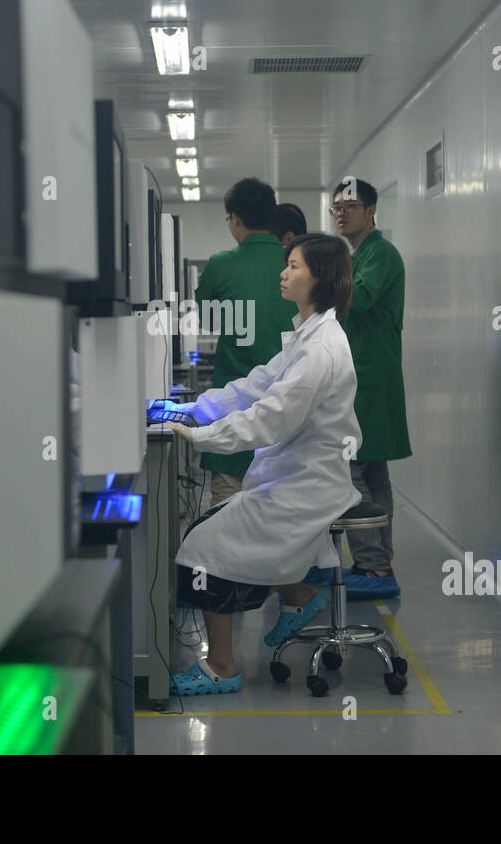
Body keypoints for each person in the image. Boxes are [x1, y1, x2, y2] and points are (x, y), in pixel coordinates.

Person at [154, 234, 360, 695]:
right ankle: (300, 596)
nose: (283, 274)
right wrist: (193, 409)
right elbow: (254, 386)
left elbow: (271, 418)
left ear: (321, 277)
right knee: (213, 532)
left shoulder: (320, 348)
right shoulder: (307, 335)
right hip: (291, 477)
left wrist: (201, 435)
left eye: (294, 266)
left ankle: (223, 667)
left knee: (200, 547)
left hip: (307, 486)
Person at [328, 178, 411, 600]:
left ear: (371, 211)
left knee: (352, 469)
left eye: (351, 205)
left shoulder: (380, 254)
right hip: (365, 377)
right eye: (336, 208)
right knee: (374, 474)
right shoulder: (358, 254)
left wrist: (319, 278)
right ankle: (379, 566)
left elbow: (356, 300)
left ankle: (372, 566)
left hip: (370, 379)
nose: (341, 213)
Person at [193, 178, 298, 507]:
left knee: (226, 528)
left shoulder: (220, 264)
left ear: (235, 218)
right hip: (290, 423)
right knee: (286, 530)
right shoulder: (299, 265)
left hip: (234, 423)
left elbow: (208, 322)